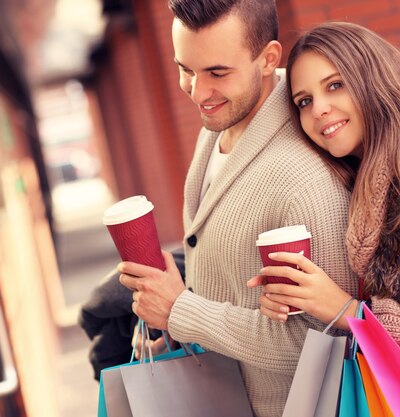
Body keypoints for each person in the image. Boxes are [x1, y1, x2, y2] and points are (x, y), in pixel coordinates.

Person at [116, 2, 357, 416]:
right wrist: (176, 333)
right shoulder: (221, 125)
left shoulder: (306, 178)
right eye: (186, 69)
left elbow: (321, 342)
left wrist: (180, 311)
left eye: (217, 72)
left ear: (268, 59)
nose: (197, 91)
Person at [249, 21, 400, 416]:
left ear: (372, 79)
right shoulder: (363, 179)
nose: (319, 108)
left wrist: (353, 315)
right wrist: (299, 295)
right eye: (304, 101)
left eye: (335, 85)